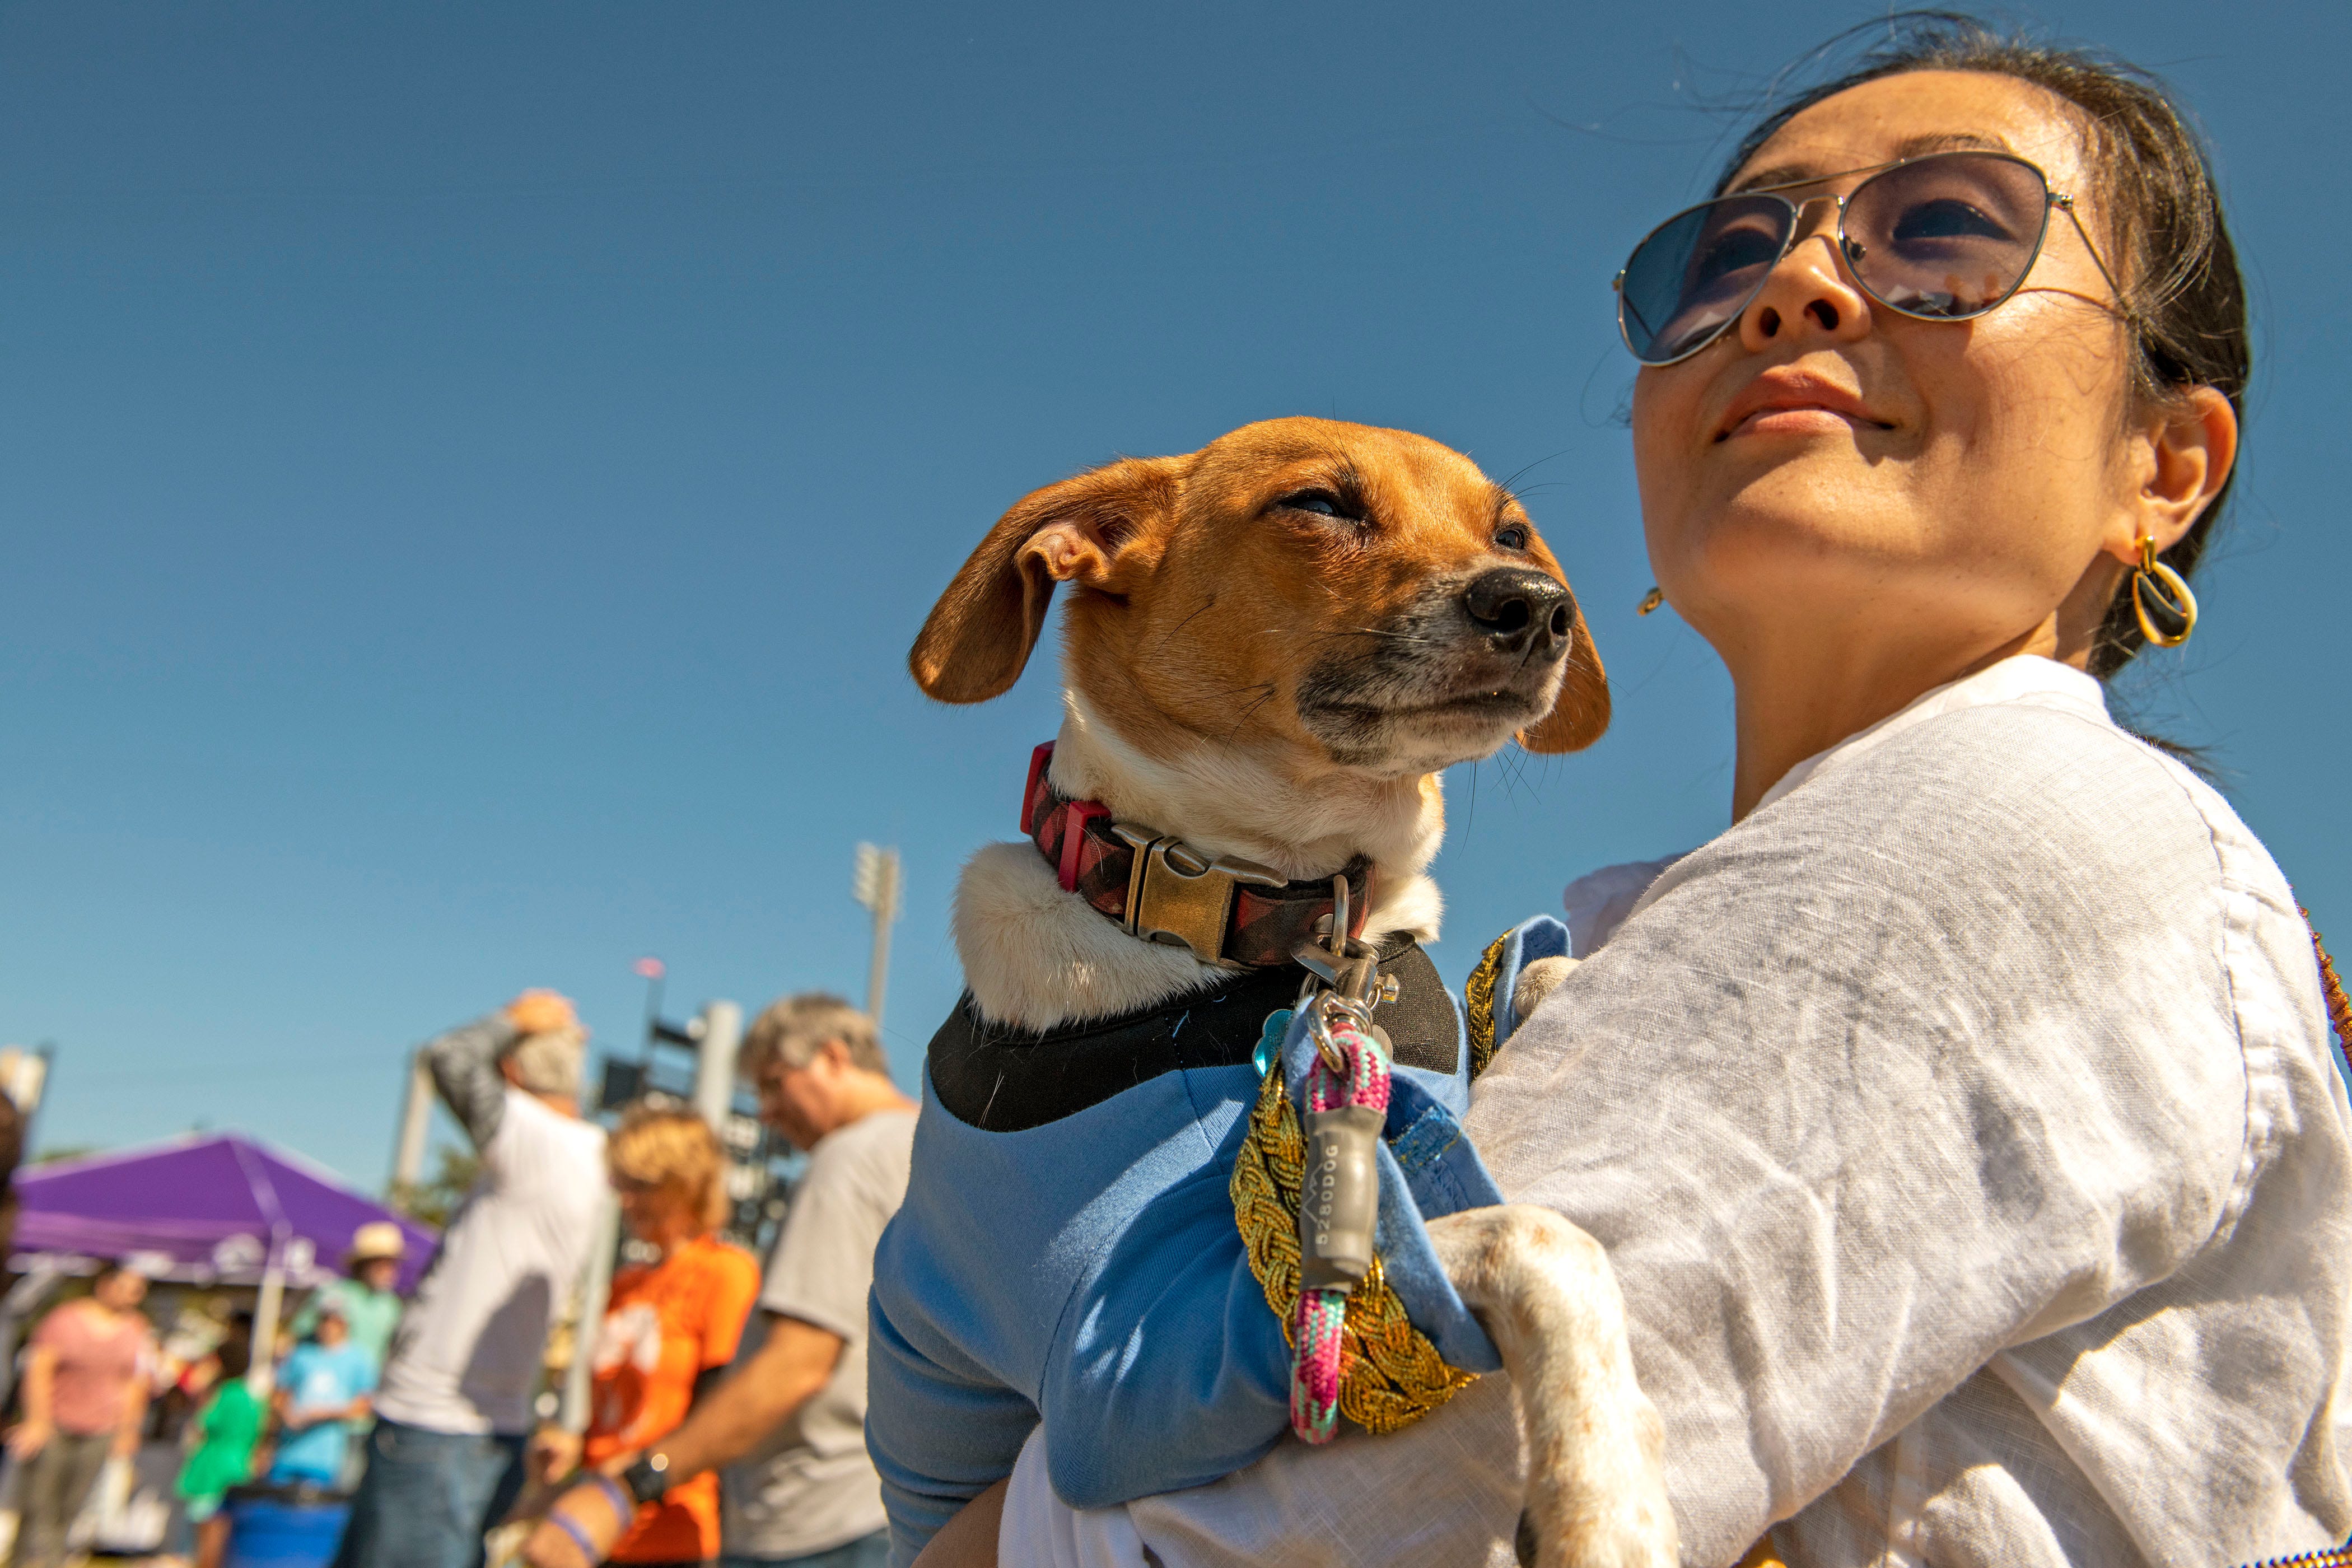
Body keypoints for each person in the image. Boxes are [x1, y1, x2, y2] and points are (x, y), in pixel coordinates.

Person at [931, 17, 2352, 1568]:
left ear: (2165, 466)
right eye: (1724, 259)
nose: (1797, 287)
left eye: (1950, 231)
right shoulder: (1620, 932)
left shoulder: (1998, 818)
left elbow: (1300, 1535)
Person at [525, 993, 917, 1568]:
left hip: (811, 1518)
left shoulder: (848, 1160)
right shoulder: (935, 1145)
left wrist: (633, 1484)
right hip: (880, 1505)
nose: (765, 1110)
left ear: (833, 1057)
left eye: (774, 1083)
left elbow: (796, 1363)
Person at [333, 990, 610, 1568]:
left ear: (511, 1068)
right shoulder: (589, 1151)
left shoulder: (534, 1135)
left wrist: (514, 1018)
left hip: (435, 1422)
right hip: (487, 1424)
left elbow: (449, 1056)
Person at [525, 1106, 761, 1568]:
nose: (627, 1201)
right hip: (601, 1530)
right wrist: (572, 1447)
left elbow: (718, 1411)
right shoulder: (626, 1285)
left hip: (674, 1531)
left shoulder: (725, 1272)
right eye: (622, 1186)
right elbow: (616, 1414)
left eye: (641, 1186)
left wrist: (636, 1474)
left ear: (685, 1184)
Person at [7, 1261, 158, 1568]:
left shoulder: (136, 1329)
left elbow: (136, 1383)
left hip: (101, 1429)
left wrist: (129, 1429)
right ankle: (27, 1561)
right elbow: (39, 1371)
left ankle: (51, 1561)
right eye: (126, 1288)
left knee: (72, 1505)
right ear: (105, 1285)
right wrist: (37, 1421)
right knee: (39, 1503)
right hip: (56, 1424)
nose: (132, 1296)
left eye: (138, 1291)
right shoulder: (65, 1320)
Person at [173, 1316, 262, 1568]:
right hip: (238, 1467)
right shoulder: (250, 1397)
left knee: (204, 1534)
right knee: (222, 1534)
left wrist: (202, 1388)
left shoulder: (224, 1395)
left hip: (212, 1469)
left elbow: (202, 1425)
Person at [267, 1301, 376, 1490]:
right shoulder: (301, 1353)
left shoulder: (358, 1359)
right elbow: (279, 1393)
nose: (328, 1327)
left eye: (334, 1321)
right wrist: (288, 1414)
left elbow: (366, 1405)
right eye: (324, 1320)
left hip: (326, 1456)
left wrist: (323, 1414)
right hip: (288, 1451)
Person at [290, 1222, 409, 1376]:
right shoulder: (333, 1293)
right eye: (382, 1264)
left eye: (392, 1265)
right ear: (363, 1264)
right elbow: (300, 1334)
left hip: (369, 1390)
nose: (389, 1271)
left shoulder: (391, 1305)